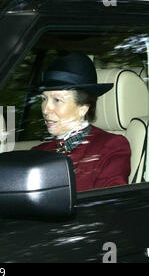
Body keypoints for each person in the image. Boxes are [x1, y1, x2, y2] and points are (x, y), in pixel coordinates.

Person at [31, 53, 131, 192]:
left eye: (57, 100)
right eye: (44, 99)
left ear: (83, 108)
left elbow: (110, 206)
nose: (46, 109)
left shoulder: (111, 148)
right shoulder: (38, 151)